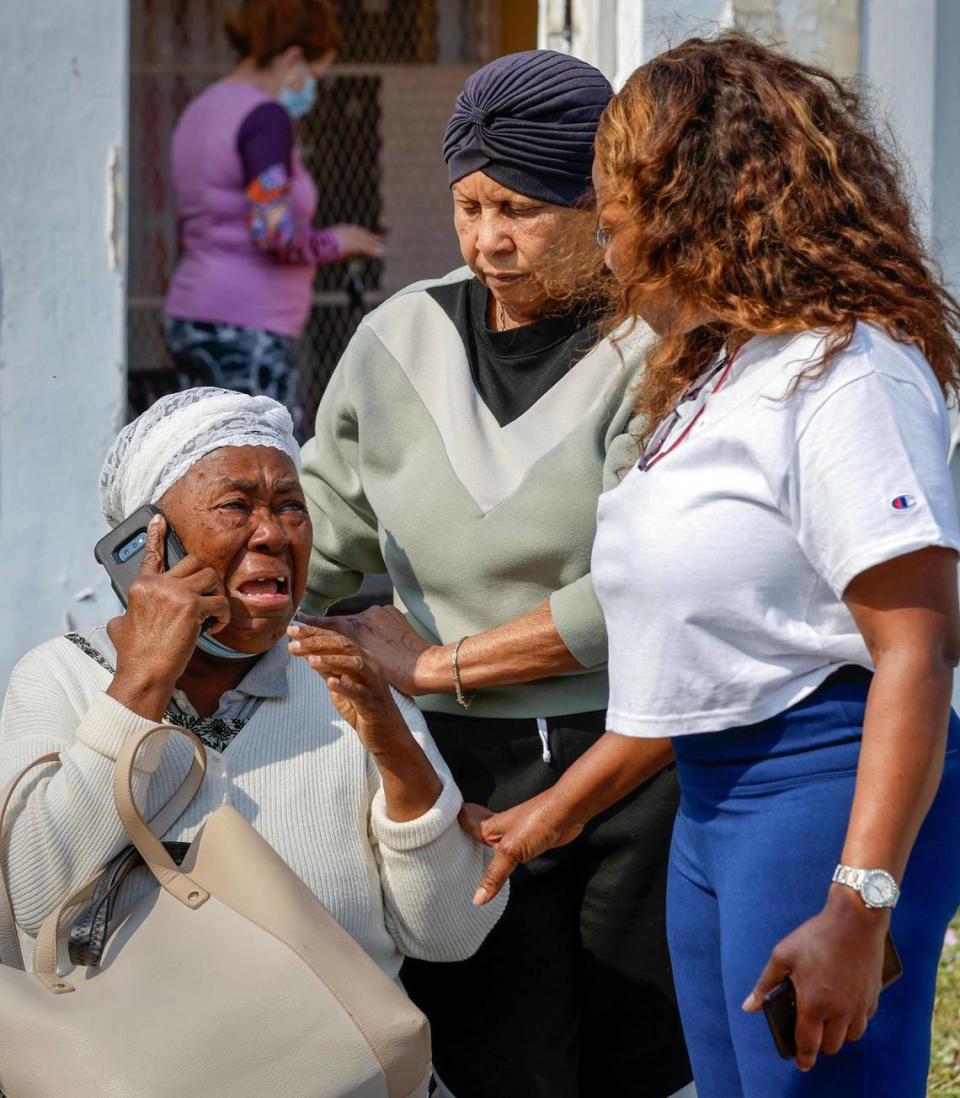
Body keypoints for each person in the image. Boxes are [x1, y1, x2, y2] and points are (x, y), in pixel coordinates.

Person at [463, 32, 960, 1098]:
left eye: (618, 192)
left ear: (700, 195)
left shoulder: (845, 371)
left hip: (819, 790)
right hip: (712, 800)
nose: (603, 222)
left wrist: (857, 904)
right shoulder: (716, 376)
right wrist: (558, 810)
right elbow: (700, 663)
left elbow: (916, 648)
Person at [297, 49, 693, 1098]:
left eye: (520, 207)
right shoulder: (397, 340)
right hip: (457, 779)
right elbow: (317, 536)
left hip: (637, 763)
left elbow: (652, 581)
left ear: (597, 201)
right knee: (494, 1065)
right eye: (469, 207)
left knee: (640, 1066)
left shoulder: (655, 348)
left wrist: (442, 664)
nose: (487, 240)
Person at [0, 389, 505, 1021]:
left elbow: (450, 933)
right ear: (153, 542)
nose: (271, 533)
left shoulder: (343, 677)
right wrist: (141, 685)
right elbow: (32, 902)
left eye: (290, 506)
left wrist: (395, 747)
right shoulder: (60, 677)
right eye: (236, 506)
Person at [163, 0, 383, 435]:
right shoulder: (266, 117)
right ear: (293, 57)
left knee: (203, 461)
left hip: (193, 314)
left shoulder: (202, 108)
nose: (313, 91)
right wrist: (339, 241)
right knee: (265, 464)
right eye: (316, 77)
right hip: (248, 328)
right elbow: (274, 232)